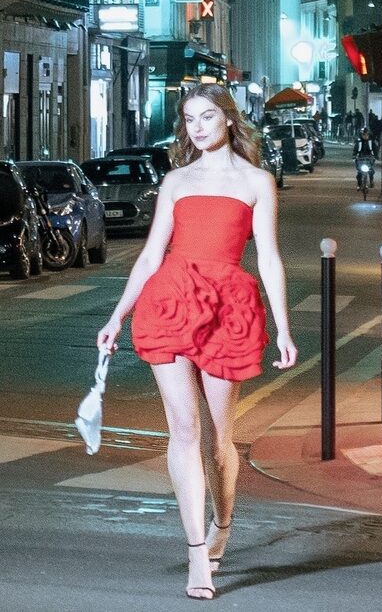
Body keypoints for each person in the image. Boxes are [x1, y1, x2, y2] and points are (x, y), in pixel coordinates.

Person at [96, 87, 296, 601]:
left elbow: (269, 258)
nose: (198, 127)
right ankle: (195, 557)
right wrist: (117, 315)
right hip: (169, 299)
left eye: (208, 117)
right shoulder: (175, 181)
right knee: (183, 431)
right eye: (189, 119)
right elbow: (148, 255)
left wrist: (284, 328)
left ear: (229, 120)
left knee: (218, 439)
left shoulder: (257, 182)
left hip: (227, 307)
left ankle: (222, 524)